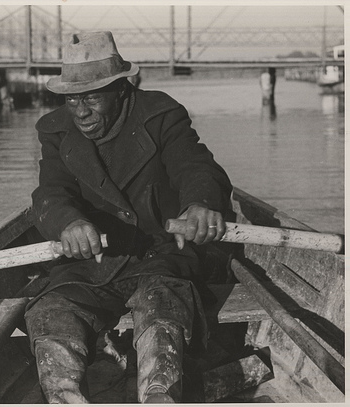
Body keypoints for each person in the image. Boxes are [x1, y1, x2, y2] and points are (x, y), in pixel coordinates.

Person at [25, 31, 232, 403]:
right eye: (72, 98)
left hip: (162, 253)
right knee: (53, 308)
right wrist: (68, 223)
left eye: (91, 97)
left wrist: (199, 205)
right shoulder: (55, 129)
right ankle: (63, 396)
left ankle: (159, 394)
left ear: (121, 89)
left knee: (162, 306)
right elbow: (51, 192)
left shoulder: (160, 115)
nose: (81, 110)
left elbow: (194, 165)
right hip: (92, 263)